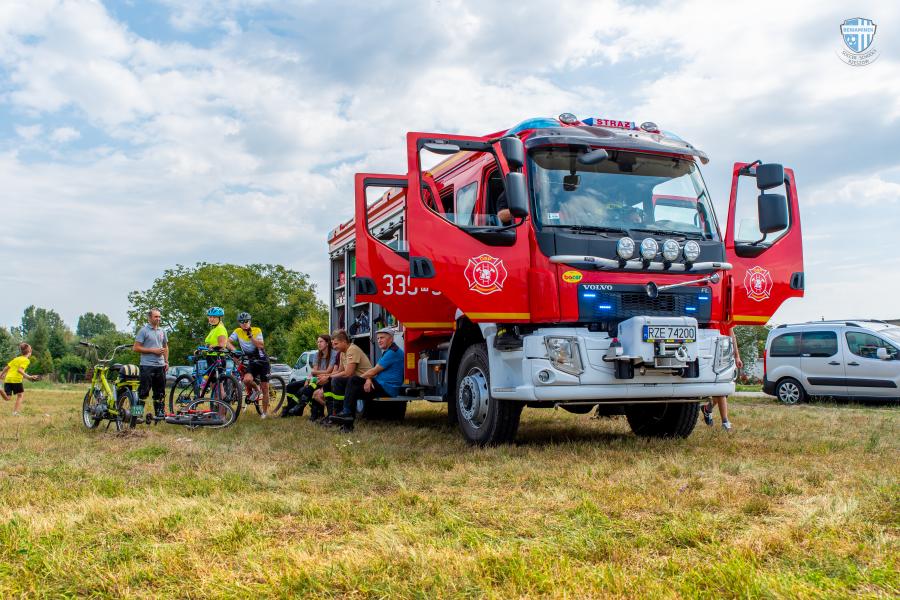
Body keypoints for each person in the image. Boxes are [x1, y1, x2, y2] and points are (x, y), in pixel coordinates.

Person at [337, 327, 404, 419]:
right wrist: (368, 379)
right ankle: (343, 413)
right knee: (346, 384)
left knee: (353, 381)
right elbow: (375, 371)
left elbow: (374, 371)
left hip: (387, 388)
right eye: (378, 338)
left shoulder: (393, 352)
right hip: (380, 384)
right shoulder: (389, 351)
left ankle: (347, 412)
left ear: (391, 339)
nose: (379, 341)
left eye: (382, 338)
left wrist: (362, 379)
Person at [316, 329, 371, 420]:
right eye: (333, 344)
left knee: (336, 381)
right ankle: (331, 414)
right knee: (328, 382)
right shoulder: (342, 352)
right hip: (353, 381)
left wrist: (329, 376)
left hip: (364, 381)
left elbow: (348, 373)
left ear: (344, 342)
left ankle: (340, 413)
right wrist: (326, 376)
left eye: (336, 344)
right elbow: (340, 371)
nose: (334, 347)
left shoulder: (352, 349)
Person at [282, 334, 339, 419]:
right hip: (316, 379)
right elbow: (313, 372)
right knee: (290, 386)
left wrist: (316, 373)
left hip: (326, 379)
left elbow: (327, 371)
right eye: (318, 342)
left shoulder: (334, 354)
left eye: (321, 341)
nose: (319, 344)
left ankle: (292, 409)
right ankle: (293, 409)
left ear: (327, 343)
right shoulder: (317, 354)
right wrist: (307, 380)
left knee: (303, 390)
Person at [227, 311, 271, 418]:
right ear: (239, 323)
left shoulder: (257, 330)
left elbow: (261, 345)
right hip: (251, 361)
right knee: (246, 380)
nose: (244, 323)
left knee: (265, 387)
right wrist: (235, 352)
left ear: (250, 321)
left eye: (246, 321)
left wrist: (251, 337)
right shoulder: (237, 331)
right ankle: (256, 389)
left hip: (263, 361)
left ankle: (264, 413)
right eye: (241, 322)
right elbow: (227, 342)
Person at [702, 328, 742, 431]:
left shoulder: (726, 321)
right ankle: (724, 422)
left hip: (724, 356)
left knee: (721, 390)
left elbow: (732, 336)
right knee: (720, 391)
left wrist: (737, 356)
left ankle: (708, 409)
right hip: (709, 355)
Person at [133, 308, 169, 418]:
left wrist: (166, 361)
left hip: (160, 366)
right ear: (149, 318)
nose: (158, 319)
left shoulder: (163, 331)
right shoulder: (143, 331)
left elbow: (165, 347)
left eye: (159, 316)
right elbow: (136, 348)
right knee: (143, 392)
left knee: (160, 393)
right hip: (146, 366)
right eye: (156, 316)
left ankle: (159, 415)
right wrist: (153, 351)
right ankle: (136, 416)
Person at [0, 342, 38, 415]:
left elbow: (6, 367)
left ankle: (0, 390)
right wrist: (29, 377)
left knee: (7, 398)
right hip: (16, 380)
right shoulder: (26, 360)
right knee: (20, 395)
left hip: (8, 379)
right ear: (30, 352)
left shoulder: (16, 359)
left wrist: (1, 375)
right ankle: (15, 412)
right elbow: (20, 370)